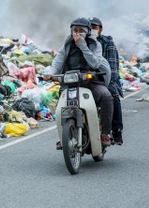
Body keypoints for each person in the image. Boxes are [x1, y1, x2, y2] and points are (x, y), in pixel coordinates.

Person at [43, 17, 113, 147]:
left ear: (87, 31)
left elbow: (95, 63)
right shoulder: (68, 43)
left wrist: (82, 46)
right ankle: (64, 135)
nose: (78, 33)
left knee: (106, 96)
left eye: (81, 30)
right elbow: (58, 60)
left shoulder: (94, 44)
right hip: (70, 81)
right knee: (61, 107)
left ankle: (105, 133)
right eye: (75, 30)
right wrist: (50, 74)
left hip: (91, 81)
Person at [89, 17, 124, 145]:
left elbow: (112, 65)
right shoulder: (82, 41)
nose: (92, 29)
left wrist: (109, 79)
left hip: (106, 78)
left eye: (95, 27)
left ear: (100, 29)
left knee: (112, 95)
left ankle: (116, 130)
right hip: (87, 79)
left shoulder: (107, 42)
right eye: (90, 27)